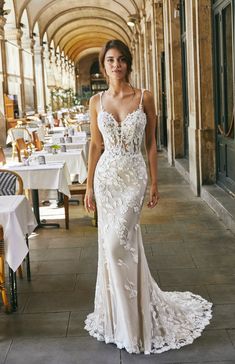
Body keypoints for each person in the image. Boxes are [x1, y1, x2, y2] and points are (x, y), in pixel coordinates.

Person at [84, 39, 212, 354]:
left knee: (118, 245)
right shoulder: (96, 101)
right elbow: (95, 145)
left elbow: (152, 143)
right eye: (110, 60)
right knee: (113, 248)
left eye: (121, 60)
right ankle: (123, 321)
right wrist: (88, 185)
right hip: (106, 180)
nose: (116, 65)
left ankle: (135, 322)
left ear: (128, 63)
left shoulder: (145, 98)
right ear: (104, 65)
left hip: (133, 178)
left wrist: (154, 182)